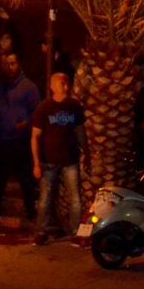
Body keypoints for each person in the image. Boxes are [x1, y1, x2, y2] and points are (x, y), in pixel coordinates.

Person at [0, 52, 40, 222]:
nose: (9, 67)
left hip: (20, 140)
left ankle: (30, 211)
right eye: (6, 63)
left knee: (25, 179)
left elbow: (36, 112)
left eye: (12, 63)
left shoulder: (29, 87)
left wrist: (25, 123)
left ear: (19, 64)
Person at [31, 73, 88, 246]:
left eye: (66, 83)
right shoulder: (44, 107)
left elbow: (80, 131)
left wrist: (87, 152)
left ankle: (76, 233)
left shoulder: (74, 106)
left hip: (70, 159)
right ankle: (41, 232)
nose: (65, 86)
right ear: (53, 86)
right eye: (61, 83)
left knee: (75, 198)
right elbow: (35, 136)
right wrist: (36, 163)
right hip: (49, 161)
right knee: (45, 198)